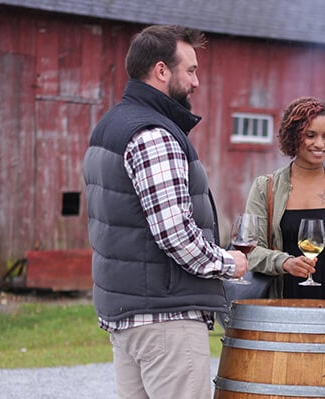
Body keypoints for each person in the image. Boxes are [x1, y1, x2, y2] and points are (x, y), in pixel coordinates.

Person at [83, 25, 248, 399]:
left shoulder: (110, 126)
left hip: (129, 316)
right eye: (189, 70)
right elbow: (176, 234)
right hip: (166, 320)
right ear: (161, 71)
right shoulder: (154, 134)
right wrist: (228, 264)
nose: (197, 82)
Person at [243, 97, 325, 300]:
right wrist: (284, 262)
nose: (320, 144)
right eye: (310, 135)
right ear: (293, 136)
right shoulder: (265, 187)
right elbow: (251, 250)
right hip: (279, 308)